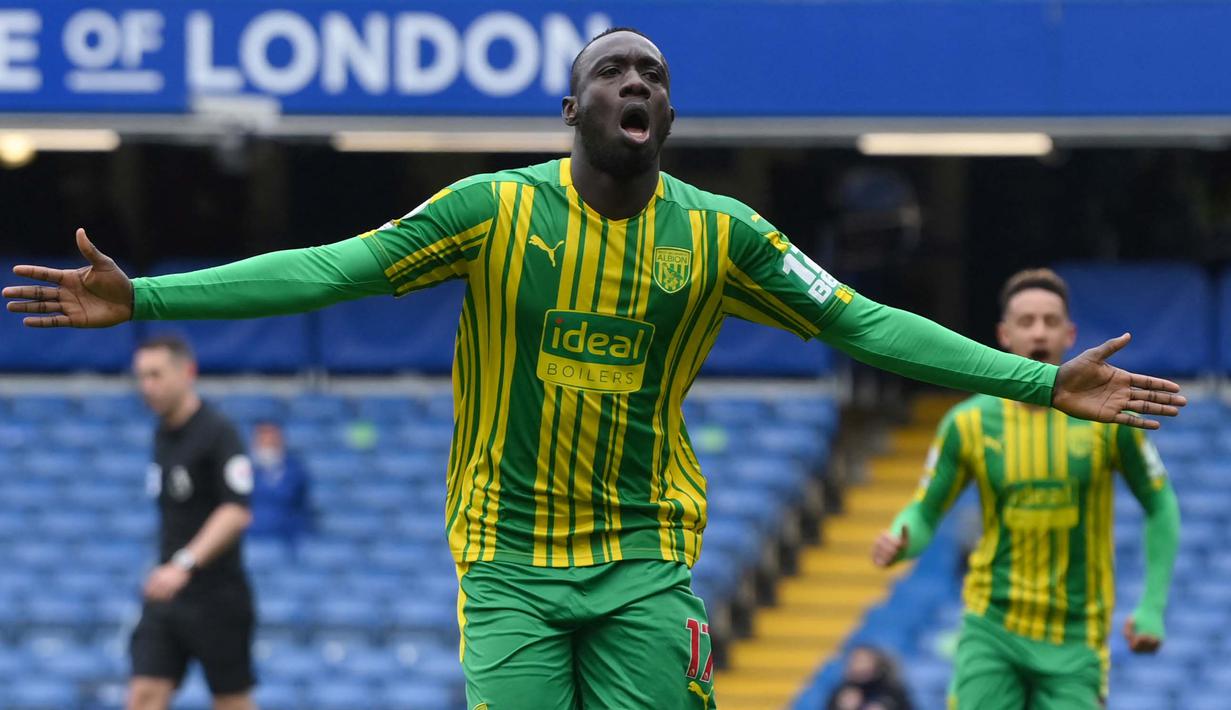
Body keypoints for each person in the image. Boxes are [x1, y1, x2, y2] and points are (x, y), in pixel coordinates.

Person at [3, 29, 1184, 710]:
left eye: (657, 78)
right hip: (507, 561)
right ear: (571, 104)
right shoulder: (490, 210)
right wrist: (148, 295)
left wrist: (1035, 379)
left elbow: (865, 323)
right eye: (617, 70)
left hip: (641, 560)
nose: (640, 85)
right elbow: (331, 270)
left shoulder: (722, 235)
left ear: (667, 118)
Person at [871, 269, 1182, 709]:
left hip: (1077, 637)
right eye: (1027, 321)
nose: (1039, 332)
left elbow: (1161, 503)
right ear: (1004, 334)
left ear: (1070, 333)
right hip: (992, 627)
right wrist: (902, 537)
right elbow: (923, 512)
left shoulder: (1108, 423)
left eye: (1050, 321)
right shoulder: (969, 423)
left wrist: (1151, 605)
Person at [127, 335, 257, 710]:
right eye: (141, 377)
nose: (147, 387)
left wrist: (184, 564)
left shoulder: (219, 432)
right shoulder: (161, 435)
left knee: (231, 701)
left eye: (156, 375)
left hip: (218, 596)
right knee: (144, 696)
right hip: (167, 595)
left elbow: (236, 511)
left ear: (188, 372)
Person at [248, 420, 313, 553]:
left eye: (272, 442)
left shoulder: (296, 470)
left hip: (287, 539)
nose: (268, 446)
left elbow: (300, 504)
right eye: (264, 441)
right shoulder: (243, 470)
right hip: (251, 537)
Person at [825, 645, 913, 710]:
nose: (857, 665)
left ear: (876, 664)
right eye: (854, 660)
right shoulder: (842, 690)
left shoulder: (891, 687)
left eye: (862, 661)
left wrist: (884, 705)